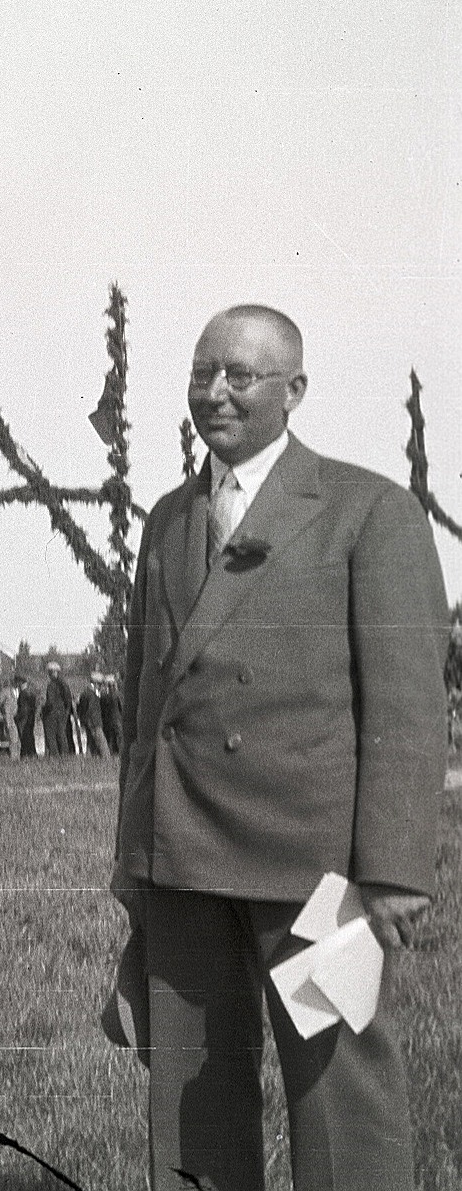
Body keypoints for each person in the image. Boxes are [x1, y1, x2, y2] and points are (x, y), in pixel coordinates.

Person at [113, 305, 449, 1191]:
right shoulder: (167, 523)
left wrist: (396, 869)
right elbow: (145, 710)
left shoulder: (367, 511)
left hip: (316, 876)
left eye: (241, 376)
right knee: (192, 1101)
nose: (215, 393)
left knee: (339, 1099)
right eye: (200, 374)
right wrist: (133, 860)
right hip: (185, 865)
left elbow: (410, 708)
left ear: (294, 391)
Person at [38, 660, 76, 756]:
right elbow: (68, 699)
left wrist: (43, 710)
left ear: (51, 672)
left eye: (49, 672)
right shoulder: (64, 683)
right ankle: (65, 755)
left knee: (51, 736)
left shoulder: (51, 685)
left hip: (51, 714)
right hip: (62, 713)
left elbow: (50, 702)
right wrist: (66, 711)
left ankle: (54, 756)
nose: (48, 674)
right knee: (61, 735)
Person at [76, 673, 110, 756]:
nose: (101, 686)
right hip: (94, 722)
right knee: (102, 743)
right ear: (96, 683)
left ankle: (91, 758)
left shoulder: (86, 693)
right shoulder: (91, 694)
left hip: (89, 721)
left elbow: (80, 708)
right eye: (100, 684)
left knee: (91, 743)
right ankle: (107, 759)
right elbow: (90, 709)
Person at [11, 675, 38, 758]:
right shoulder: (31, 693)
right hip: (31, 718)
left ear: (20, 683)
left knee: (24, 738)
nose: (15, 684)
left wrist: (17, 717)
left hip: (24, 719)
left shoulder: (23, 694)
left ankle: (25, 755)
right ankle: (32, 754)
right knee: (30, 737)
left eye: (16, 682)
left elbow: (23, 708)